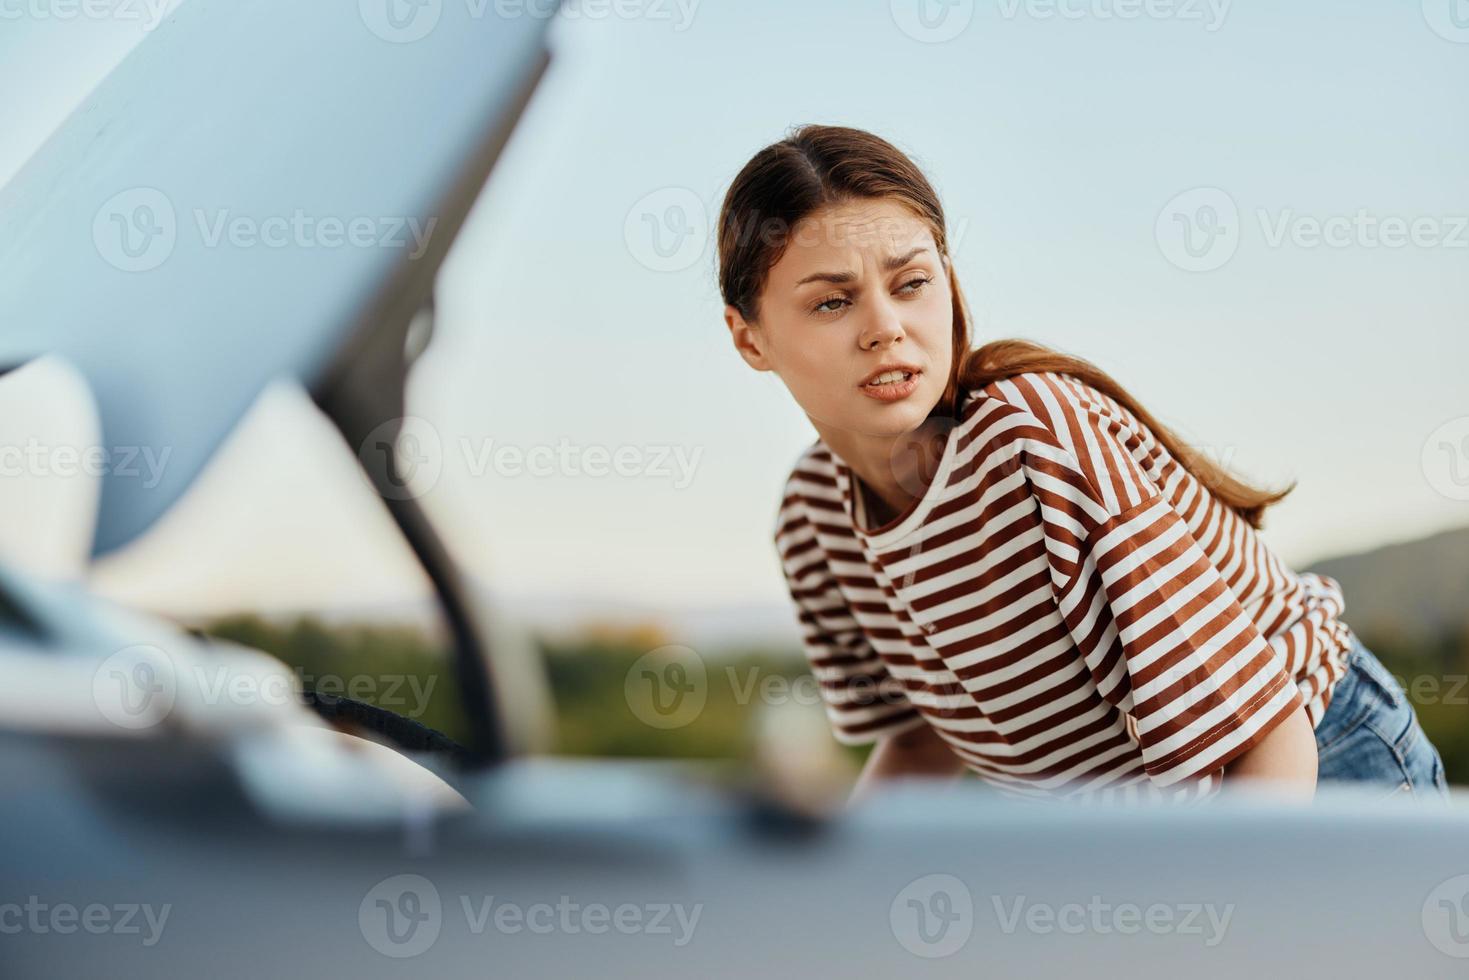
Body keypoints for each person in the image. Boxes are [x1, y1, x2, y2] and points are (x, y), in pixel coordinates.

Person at [719, 123, 1449, 805]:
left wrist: (1218, 927)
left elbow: (1269, 737)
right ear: (749, 340)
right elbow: (919, 744)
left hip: (1322, 763)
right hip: (1148, 821)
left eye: (910, 284)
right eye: (831, 303)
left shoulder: (1031, 440)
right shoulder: (813, 517)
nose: (884, 328)